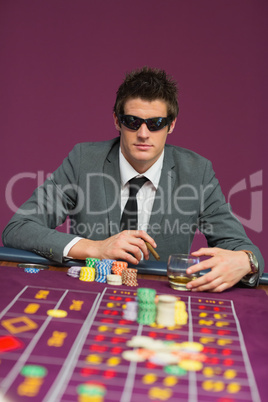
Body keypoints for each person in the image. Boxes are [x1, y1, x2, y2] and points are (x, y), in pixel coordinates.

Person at [2, 66, 264, 292]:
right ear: (117, 120)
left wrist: (246, 262)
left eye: (155, 123)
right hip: (90, 294)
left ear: (171, 125)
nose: (143, 133)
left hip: (164, 297)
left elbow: (243, 248)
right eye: (132, 121)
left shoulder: (197, 172)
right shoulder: (83, 160)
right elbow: (18, 228)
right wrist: (95, 248)